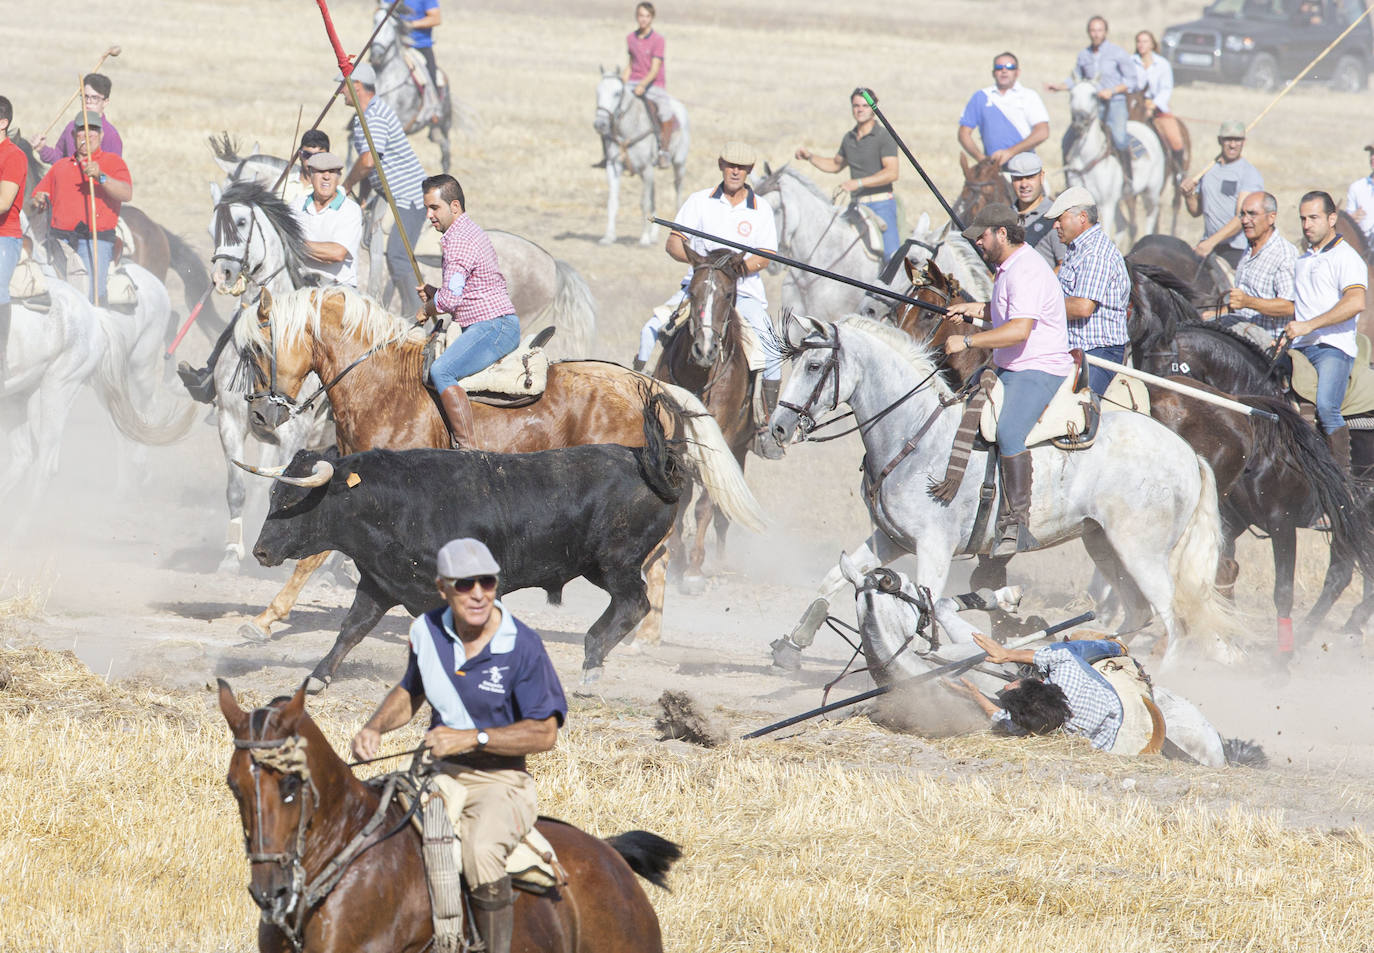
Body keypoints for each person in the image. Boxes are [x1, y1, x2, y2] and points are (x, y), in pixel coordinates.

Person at [351, 537, 567, 953]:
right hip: (438, 775)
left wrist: (473, 737)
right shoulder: (426, 632)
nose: (478, 594)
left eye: (487, 583)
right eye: (465, 585)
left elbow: (545, 734)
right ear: (442, 588)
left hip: (500, 782)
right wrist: (374, 727)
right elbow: (410, 691)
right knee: (380, 834)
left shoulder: (522, 645)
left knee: (481, 852)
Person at [943, 203, 1074, 556]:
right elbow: (1006, 311)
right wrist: (976, 311)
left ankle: (1017, 522)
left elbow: (1018, 329)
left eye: (982, 237)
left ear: (1002, 233)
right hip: (1012, 365)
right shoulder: (1009, 267)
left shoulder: (1026, 270)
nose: (978, 244)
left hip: (1038, 367)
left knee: (1008, 431)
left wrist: (967, 340)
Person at [665, 141, 783, 455]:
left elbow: (766, 255)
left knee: (770, 351)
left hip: (743, 292)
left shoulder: (761, 209)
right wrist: (702, 266)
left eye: (741, 167)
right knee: (650, 331)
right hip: (700, 288)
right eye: (730, 164)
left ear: (749, 172)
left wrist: (736, 271)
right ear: (721, 164)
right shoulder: (699, 201)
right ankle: (642, 409)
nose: (735, 171)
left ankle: (764, 426)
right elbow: (674, 243)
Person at [416, 173, 521, 449]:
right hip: (488, 323)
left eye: (434, 208)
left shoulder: (459, 241)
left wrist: (427, 308)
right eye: (427, 208)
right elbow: (458, 293)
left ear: (455, 207)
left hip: (493, 327)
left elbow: (449, 301)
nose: (429, 215)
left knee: (441, 371)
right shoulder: (464, 233)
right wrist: (434, 293)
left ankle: (467, 447)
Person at [1283, 190, 1369, 472]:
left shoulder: (1347, 257)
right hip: (1299, 348)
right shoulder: (1303, 260)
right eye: (1303, 218)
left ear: (1332, 218)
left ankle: (1341, 480)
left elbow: (1356, 302)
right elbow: (1299, 306)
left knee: (1326, 407)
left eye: (1314, 218)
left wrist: (1309, 325)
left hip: (1333, 348)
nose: (1307, 225)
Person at [340, 62, 428, 314]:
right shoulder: (365, 116)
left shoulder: (374, 116)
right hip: (389, 196)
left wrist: (347, 185)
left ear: (357, 86)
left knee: (399, 257)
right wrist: (365, 195)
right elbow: (374, 163)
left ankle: (419, 316)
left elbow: (368, 161)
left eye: (343, 87)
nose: (340, 93)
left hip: (408, 197)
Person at [951, 631, 1131, 752]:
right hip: (1107, 709)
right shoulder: (1067, 677)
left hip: (1106, 714)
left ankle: (1116, 647)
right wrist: (1007, 654)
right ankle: (1116, 646)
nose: (1007, 686)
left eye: (1011, 686)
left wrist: (975, 695)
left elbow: (998, 716)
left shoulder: (1032, 729)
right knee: (1064, 648)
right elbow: (1060, 655)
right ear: (1040, 683)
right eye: (1012, 686)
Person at [30, 113, 132, 305]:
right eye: (81, 131)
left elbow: (126, 193)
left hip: (94, 239)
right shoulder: (60, 166)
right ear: (74, 135)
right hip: (58, 241)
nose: (87, 135)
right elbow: (37, 199)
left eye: (92, 130)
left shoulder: (113, 162)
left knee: (90, 298)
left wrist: (101, 176)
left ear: (101, 135)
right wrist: (38, 200)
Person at [795, 87, 902, 262]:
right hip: (856, 206)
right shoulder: (849, 138)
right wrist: (810, 157)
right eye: (856, 106)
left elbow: (892, 173)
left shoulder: (884, 136)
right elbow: (836, 164)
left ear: (873, 109)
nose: (860, 109)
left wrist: (858, 183)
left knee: (891, 258)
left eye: (865, 106)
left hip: (881, 204)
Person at [1047, 185, 1130, 395]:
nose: (1056, 225)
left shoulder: (1095, 254)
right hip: (1074, 350)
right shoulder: (1077, 249)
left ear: (1082, 217)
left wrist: (1036, 307)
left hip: (1099, 353)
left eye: (1060, 218)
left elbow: (1082, 307)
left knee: (1075, 410)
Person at [1047, 17, 1138, 188]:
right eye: (1093, 30)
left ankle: (1128, 179)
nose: (1096, 34)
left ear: (1105, 32)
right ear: (1088, 32)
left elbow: (1132, 81)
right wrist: (1059, 86)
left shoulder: (1117, 53)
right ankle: (1069, 180)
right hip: (1091, 106)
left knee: (1119, 138)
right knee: (1067, 139)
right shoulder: (1084, 55)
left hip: (1114, 103)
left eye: (1099, 30)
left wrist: (1111, 91)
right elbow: (1076, 78)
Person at [1211, 191, 1295, 337]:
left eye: (1252, 214)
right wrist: (1216, 314)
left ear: (1271, 217)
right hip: (1241, 327)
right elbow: (1242, 304)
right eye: (1242, 214)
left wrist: (1248, 302)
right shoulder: (1250, 249)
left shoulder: (1284, 254)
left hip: (1266, 341)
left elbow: (1289, 307)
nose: (1245, 220)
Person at [1181, 121, 1263, 269]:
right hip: (1207, 246)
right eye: (1228, 139)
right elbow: (1195, 211)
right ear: (1220, 140)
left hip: (1236, 249)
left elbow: (1242, 218)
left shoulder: (1248, 174)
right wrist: (1188, 195)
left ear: (1243, 142)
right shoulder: (1209, 171)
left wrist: (1210, 243)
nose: (1233, 145)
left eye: (1237, 140)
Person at [957, 52, 1050, 168]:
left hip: (1026, 168)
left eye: (1010, 67)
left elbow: (1042, 132)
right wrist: (981, 159)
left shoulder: (1029, 96)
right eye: (999, 67)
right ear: (993, 73)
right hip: (993, 171)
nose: (1004, 71)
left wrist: (1010, 152)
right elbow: (963, 133)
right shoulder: (981, 96)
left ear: (1017, 72)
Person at [293, 152, 364, 289]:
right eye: (320, 172)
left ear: (338, 177)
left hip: (339, 288)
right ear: (311, 174)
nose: (326, 177)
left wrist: (296, 245)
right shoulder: (296, 207)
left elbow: (337, 253)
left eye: (332, 172)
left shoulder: (350, 210)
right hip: (301, 286)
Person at [622, 2, 674, 168]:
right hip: (632, 83)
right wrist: (621, 84)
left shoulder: (658, 40)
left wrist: (643, 85)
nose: (643, 19)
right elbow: (630, 64)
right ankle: (611, 152)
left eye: (646, 16)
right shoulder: (630, 38)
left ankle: (663, 151)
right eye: (640, 16)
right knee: (612, 109)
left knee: (666, 113)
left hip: (653, 85)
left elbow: (655, 68)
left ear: (651, 18)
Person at [36, 73, 122, 162]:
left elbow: (114, 174)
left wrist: (98, 174)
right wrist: (42, 149)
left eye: (95, 98)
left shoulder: (111, 136)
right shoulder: (71, 127)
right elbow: (59, 160)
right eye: (85, 96)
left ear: (105, 102)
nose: (88, 101)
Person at [1132, 30, 1185, 172]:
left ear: (1152, 44)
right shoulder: (1131, 62)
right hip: (1136, 107)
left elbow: (1166, 88)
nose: (1141, 45)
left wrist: (1154, 104)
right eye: (1139, 41)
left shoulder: (1162, 64)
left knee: (1176, 141)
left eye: (1145, 41)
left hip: (1158, 108)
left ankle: (1179, 173)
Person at [0, 96, 24, 387]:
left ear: (3, 122)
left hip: (4, 236)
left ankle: (0, 360)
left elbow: (5, 202)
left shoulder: (13, 156)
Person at [1006, 153, 1067, 269]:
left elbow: (1063, 264)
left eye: (1030, 177)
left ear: (1042, 177)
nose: (1024, 184)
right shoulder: (1004, 218)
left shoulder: (1055, 216)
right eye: (1018, 179)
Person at [399, 0, 442, 89]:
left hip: (419, 46)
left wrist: (411, 25)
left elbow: (436, 18)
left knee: (431, 83)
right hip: (394, 47)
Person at [1344, 141, 1374, 246]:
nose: (1372, 158)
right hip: (1364, 250)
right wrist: (1351, 219)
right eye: (1371, 154)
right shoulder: (1357, 187)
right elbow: (1347, 224)